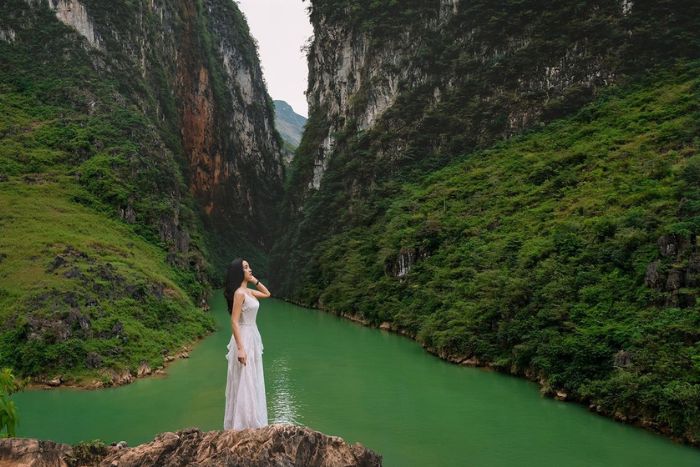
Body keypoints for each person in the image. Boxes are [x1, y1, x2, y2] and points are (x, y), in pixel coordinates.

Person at [223, 258, 271, 430]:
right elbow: (234, 321)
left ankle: (253, 419)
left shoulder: (248, 291)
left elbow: (267, 294)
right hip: (243, 336)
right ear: (238, 272)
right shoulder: (239, 294)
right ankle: (243, 424)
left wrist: (253, 280)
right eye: (245, 267)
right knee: (245, 378)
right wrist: (241, 348)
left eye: (249, 266)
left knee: (252, 376)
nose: (250, 269)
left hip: (253, 334)